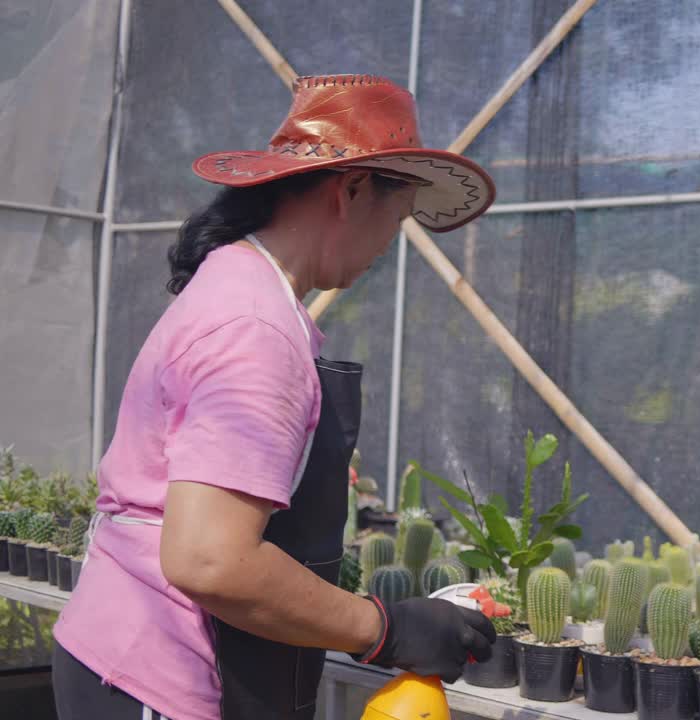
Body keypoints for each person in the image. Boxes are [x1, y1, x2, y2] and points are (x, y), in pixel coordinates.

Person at [51, 74, 497, 720]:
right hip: (154, 674)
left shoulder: (234, 283)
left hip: (111, 655)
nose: (388, 247)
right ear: (350, 190)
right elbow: (210, 559)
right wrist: (385, 629)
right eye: (396, 220)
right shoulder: (258, 328)